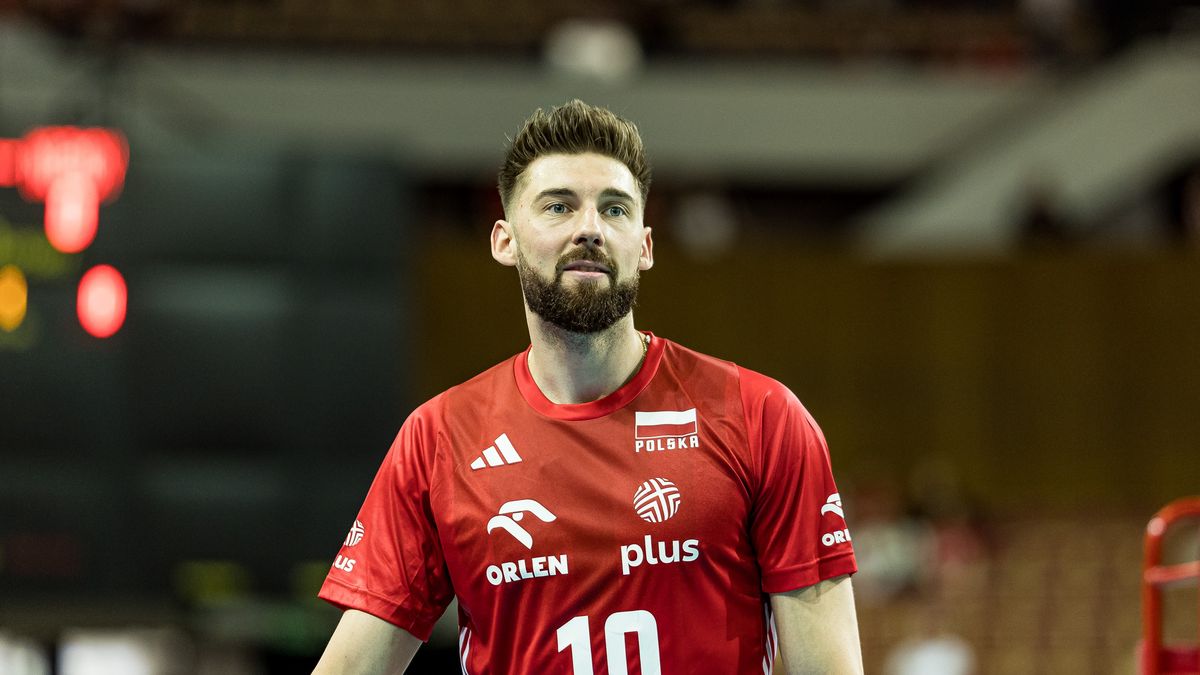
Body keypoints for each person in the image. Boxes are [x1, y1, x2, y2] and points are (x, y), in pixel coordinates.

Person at [312, 100, 863, 674]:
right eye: (558, 207)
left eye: (616, 210)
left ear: (643, 247)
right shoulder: (438, 439)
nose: (591, 230)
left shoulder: (761, 416)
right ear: (505, 241)